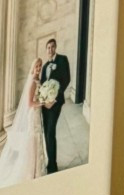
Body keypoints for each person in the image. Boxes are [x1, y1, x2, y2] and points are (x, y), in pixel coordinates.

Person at [0, 57, 42, 188]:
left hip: (37, 113)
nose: (39, 68)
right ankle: (30, 170)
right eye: (37, 66)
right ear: (33, 67)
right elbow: (30, 103)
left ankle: (36, 169)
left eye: (40, 66)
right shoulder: (32, 82)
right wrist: (42, 103)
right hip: (33, 114)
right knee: (32, 138)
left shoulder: (37, 80)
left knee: (36, 138)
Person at [39, 39, 71, 173]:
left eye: (52, 47)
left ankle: (53, 166)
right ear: (46, 50)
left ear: (55, 47)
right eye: (48, 47)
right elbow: (42, 85)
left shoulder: (63, 60)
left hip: (55, 103)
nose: (50, 49)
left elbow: (66, 79)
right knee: (46, 133)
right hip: (45, 105)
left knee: (51, 131)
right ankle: (49, 163)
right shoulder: (45, 66)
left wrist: (54, 99)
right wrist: (44, 101)